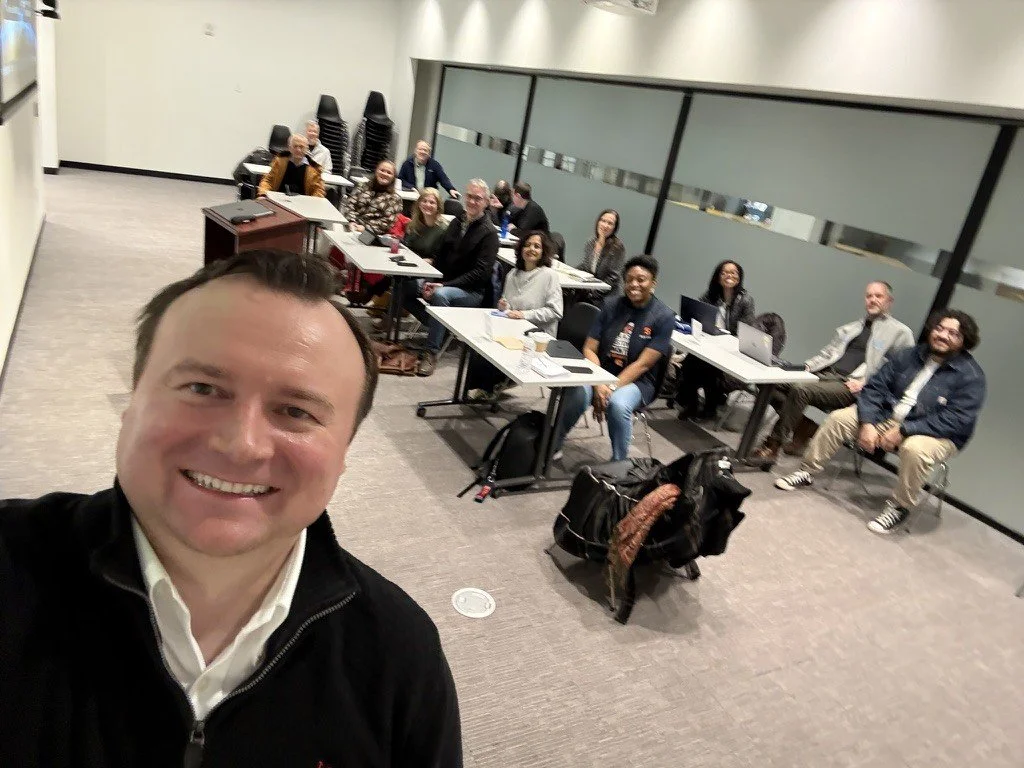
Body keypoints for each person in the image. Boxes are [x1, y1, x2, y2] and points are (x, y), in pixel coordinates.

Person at [0, 250, 462, 765]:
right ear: (131, 405)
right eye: (202, 388)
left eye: (295, 411)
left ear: (343, 454)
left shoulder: (400, 656)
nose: (241, 445)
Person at [775, 309, 986, 535]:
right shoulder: (909, 355)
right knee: (839, 419)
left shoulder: (970, 376)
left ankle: (899, 506)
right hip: (888, 416)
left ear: (965, 341)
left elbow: (955, 419)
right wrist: (867, 423)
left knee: (915, 450)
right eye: (939, 328)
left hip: (935, 433)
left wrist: (905, 430)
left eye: (953, 333)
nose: (943, 335)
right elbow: (875, 388)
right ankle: (807, 471)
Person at [752, 281, 915, 462]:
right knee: (768, 379)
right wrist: (805, 367)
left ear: (889, 301)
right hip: (825, 375)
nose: (872, 300)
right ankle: (804, 426)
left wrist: (866, 384)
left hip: (851, 386)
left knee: (801, 390)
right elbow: (827, 354)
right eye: (869, 296)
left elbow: (901, 374)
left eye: (878, 296)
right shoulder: (853, 327)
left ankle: (772, 446)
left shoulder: (901, 333)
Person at [552, 254, 676, 463]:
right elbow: (590, 349)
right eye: (629, 279)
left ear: (653, 283)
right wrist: (600, 382)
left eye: (641, 280)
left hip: (638, 381)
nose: (634, 284)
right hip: (601, 371)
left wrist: (609, 388)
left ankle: (619, 463)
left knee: (618, 404)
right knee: (577, 392)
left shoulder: (664, 317)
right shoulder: (611, 305)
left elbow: (643, 364)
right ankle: (553, 444)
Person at [402, 179, 499, 377]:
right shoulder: (457, 222)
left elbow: (480, 274)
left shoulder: (489, 234)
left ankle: (431, 352)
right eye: (469, 196)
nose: (472, 201)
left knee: (441, 296)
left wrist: (443, 285)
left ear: (487, 202)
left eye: (478, 198)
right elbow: (442, 255)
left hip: (471, 292)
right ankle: (439, 325)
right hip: (445, 281)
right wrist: (431, 277)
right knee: (406, 286)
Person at [466, 232, 563, 399]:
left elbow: (555, 312)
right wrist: (504, 306)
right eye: (527, 245)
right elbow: (509, 307)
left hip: (537, 337)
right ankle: (482, 386)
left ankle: (493, 385)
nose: (531, 249)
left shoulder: (549, 276)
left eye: (536, 246)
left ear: (543, 251)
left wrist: (524, 315)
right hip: (512, 330)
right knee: (480, 341)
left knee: (496, 348)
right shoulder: (512, 275)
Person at [674, 260, 756, 419]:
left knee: (702, 366)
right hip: (709, 343)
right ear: (718, 277)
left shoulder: (745, 300)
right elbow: (696, 313)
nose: (729, 275)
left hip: (730, 350)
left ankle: (707, 406)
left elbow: (746, 330)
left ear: (739, 278)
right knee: (692, 362)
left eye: (733, 273)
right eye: (725, 272)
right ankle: (693, 404)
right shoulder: (711, 294)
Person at [348, 188, 450, 313]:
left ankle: (375, 303)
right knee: (389, 273)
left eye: (432, 202)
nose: (427, 205)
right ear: (419, 203)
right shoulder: (414, 224)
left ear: (438, 206)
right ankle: (374, 303)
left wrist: (420, 261)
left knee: (398, 283)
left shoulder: (444, 229)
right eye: (424, 201)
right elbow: (406, 245)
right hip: (408, 265)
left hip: (428, 273)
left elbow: (439, 259)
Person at [342, 159, 402, 234]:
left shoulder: (395, 199)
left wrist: (364, 228)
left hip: (371, 234)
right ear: (376, 171)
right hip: (350, 226)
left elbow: (387, 223)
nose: (384, 174)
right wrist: (351, 221)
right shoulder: (363, 187)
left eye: (389, 173)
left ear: (393, 177)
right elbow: (349, 204)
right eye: (382, 170)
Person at [257, 133, 325, 198]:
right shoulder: (280, 162)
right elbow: (268, 180)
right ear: (289, 148)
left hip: (303, 205)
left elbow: (318, 190)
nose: (298, 150)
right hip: (279, 201)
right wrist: (263, 194)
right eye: (295, 146)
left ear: (306, 149)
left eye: (301, 147)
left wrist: (312, 203)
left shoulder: (314, 169)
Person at [577, 209, 626, 293]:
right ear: (598, 222)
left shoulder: (618, 247)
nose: (605, 225)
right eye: (603, 221)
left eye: (610, 223)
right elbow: (585, 267)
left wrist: (594, 293)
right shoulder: (590, 242)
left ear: (614, 228)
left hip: (607, 293)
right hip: (590, 288)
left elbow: (613, 278)